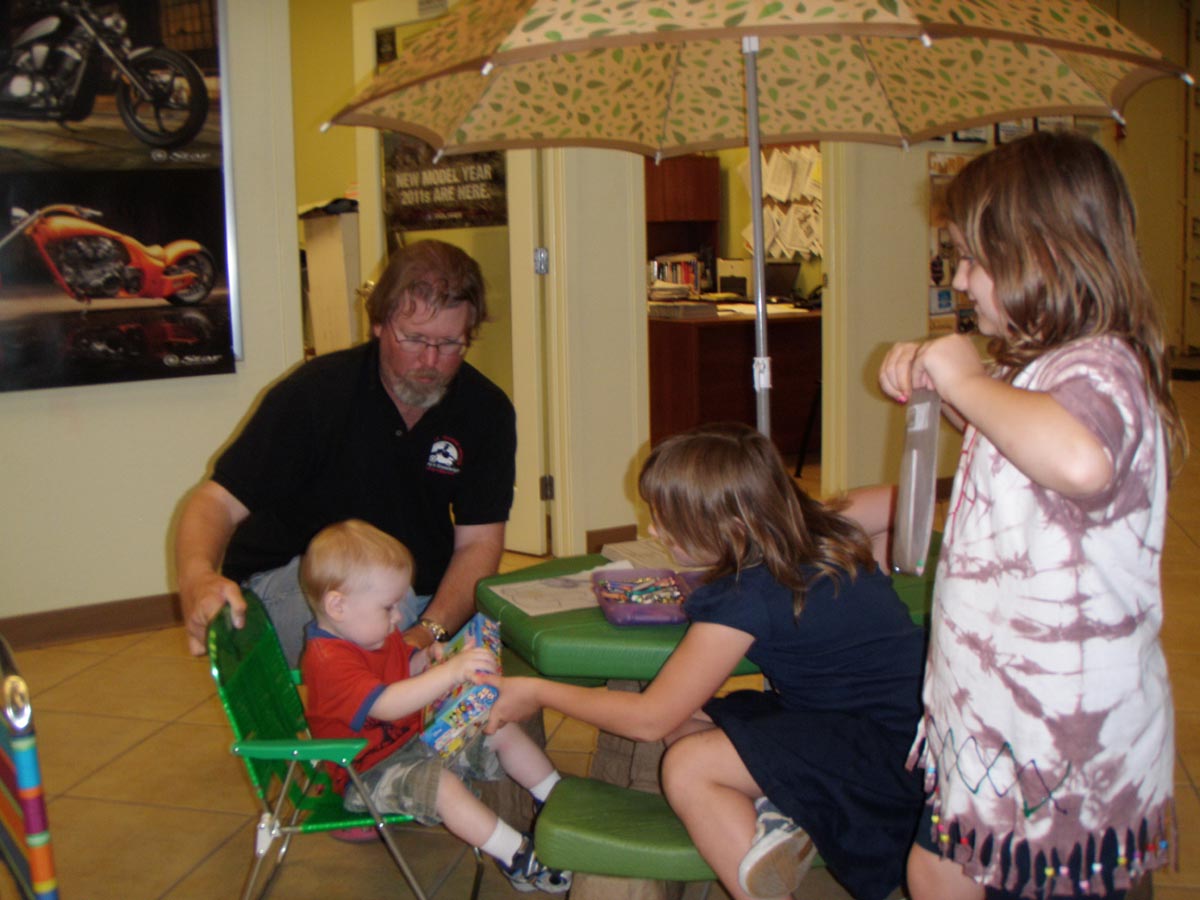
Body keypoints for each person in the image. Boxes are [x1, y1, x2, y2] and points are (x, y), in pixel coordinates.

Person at [877, 130, 1185, 900]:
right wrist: (952, 395)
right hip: (991, 726)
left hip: (1061, 749)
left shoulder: (1103, 364)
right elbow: (1025, 454)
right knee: (934, 868)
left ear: (1041, 254)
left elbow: (1078, 460)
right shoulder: (1039, 370)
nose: (961, 280)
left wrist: (966, 381)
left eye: (973, 260)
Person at [484, 423, 927, 900]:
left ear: (731, 529)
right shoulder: (817, 526)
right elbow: (906, 498)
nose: (653, 531)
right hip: (883, 722)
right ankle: (783, 810)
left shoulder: (747, 597)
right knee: (690, 721)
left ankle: (779, 825)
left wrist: (538, 691)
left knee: (687, 764)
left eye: (666, 521)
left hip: (892, 755)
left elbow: (648, 719)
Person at [174, 239, 516, 666]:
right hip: (293, 584)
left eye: (450, 344)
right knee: (372, 611)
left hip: (407, 596)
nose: (430, 360)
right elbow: (215, 503)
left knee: (493, 653)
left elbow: (479, 544)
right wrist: (197, 578)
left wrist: (428, 632)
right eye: (413, 338)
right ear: (378, 323)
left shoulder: (486, 410)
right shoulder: (315, 394)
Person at [298, 519, 571, 894]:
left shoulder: (369, 634)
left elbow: (402, 669)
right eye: (388, 607)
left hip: (414, 741)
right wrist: (450, 673)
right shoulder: (330, 660)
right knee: (443, 787)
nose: (399, 617)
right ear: (338, 606)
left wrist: (431, 658)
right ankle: (518, 857)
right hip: (366, 773)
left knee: (497, 725)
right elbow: (387, 704)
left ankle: (557, 799)